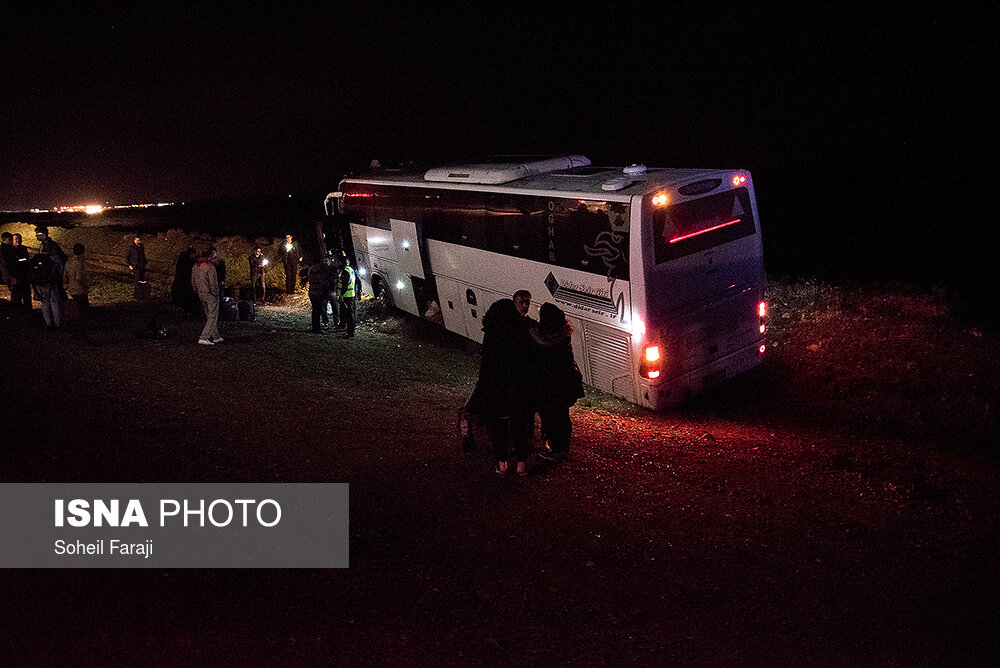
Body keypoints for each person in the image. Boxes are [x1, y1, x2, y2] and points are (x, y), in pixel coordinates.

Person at [466, 299, 535, 476]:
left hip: (495, 388)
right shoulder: (520, 331)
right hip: (517, 388)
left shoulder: (491, 333)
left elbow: (486, 365)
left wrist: (482, 387)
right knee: (519, 427)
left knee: (498, 428)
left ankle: (502, 464)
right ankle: (521, 465)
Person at [531, 303, 585, 461]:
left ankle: (555, 450)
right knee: (562, 417)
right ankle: (562, 448)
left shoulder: (541, 338)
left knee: (551, 417)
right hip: (566, 383)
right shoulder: (564, 335)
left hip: (550, 385)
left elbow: (540, 356)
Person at [29, 231, 64, 329]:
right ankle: (57, 324)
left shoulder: (37, 257)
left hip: (39, 283)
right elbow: (60, 269)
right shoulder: (54, 259)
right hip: (50, 282)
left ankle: (48, 323)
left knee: (44, 303)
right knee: (54, 303)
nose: (36, 237)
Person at [191, 249, 223, 345]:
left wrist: (196, 291)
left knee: (209, 314)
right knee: (212, 316)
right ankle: (204, 337)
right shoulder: (210, 267)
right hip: (210, 294)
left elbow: (193, 281)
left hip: (201, 293)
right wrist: (216, 293)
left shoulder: (196, 266)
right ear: (209, 256)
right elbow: (213, 282)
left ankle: (216, 336)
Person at [63, 243, 90, 340]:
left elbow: (65, 277)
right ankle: (81, 333)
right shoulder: (80, 263)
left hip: (72, 290)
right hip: (80, 290)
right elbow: (79, 277)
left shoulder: (68, 263)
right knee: (83, 312)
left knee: (74, 311)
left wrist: (67, 286)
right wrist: (85, 285)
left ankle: (74, 331)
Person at [306, 257, 334, 333]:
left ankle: (315, 326)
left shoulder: (311, 269)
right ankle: (316, 328)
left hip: (312, 292)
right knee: (317, 310)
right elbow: (321, 281)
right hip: (317, 292)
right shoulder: (318, 270)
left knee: (315, 310)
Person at [171, 247, 200, 317]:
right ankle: (189, 311)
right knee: (188, 296)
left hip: (182, 282)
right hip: (186, 282)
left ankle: (187, 310)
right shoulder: (188, 261)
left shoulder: (183, 259)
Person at [8, 233, 32, 309]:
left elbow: (25, 261)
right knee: (16, 299)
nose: (18, 240)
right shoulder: (10, 250)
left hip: (25, 277)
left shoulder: (23, 249)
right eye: (16, 239)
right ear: (12, 240)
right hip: (16, 278)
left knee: (27, 298)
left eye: (19, 238)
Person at [336, 257, 357, 338]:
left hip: (347, 296)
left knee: (349, 314)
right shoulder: (350, 269)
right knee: (349, 313)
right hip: (351, 294)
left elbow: (344, 285)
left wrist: (341, 295)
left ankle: (350, 332)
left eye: (339, 262)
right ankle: (348, 329)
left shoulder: (345, 272)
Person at [1, 232, 13, 302]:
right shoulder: (3, 250)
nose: (11, 242)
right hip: (8, 275)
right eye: (9, 240)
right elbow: (5, 263)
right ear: (3, 239)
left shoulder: (9, 248)